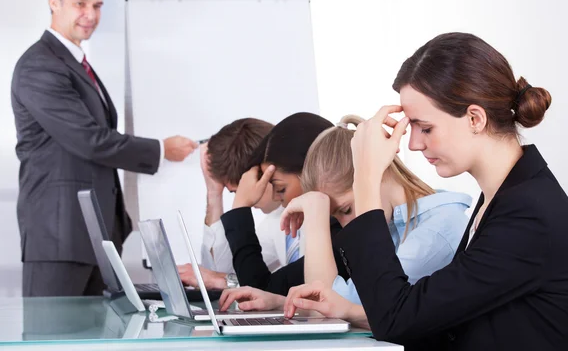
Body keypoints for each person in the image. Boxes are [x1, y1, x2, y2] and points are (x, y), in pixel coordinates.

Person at [284, 33, 568, 350]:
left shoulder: (528, 214)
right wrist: (350, 310)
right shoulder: (503, 197)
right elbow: (444, 315)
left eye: (426, 128)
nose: (415, 144)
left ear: (475, 118)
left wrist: (365, 178)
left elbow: (398, 316)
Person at [11, 0, 197, 297]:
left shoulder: (75, 62)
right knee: (52, 343)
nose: (91, 15)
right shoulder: (40, 65)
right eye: (80, 4)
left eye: (97, 5)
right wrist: (160, 149)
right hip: (60, 237)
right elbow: (88, 140)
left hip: (91, 235)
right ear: (54, 2)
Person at [218, 114, 471, 313]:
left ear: (374, 175)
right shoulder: (394, 224)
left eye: (347, 209)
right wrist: (277, 301)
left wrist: (316, 214)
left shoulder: (436, 230)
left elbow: (331, 305)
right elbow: (344, 305)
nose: (347, 227)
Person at [219, 112, 350, 296]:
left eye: (280, 189)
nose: (277, 199)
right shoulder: (320, 227)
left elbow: (260, 290)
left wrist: (240, 208)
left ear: (312, 172)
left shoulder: (343, 235)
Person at [177, 118, 286, 290]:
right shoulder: (274, 221)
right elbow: (224, 271)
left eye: (237, 192)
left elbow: (286, 288)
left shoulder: (313, 214)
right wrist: (214, 194)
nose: (244, 198)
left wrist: (241, 206)